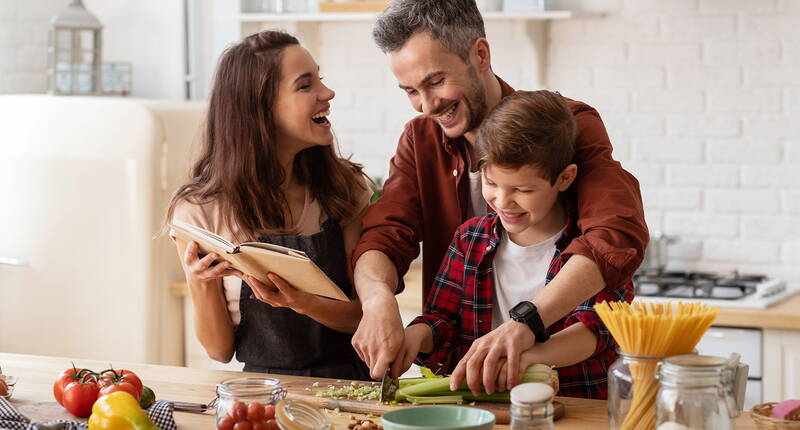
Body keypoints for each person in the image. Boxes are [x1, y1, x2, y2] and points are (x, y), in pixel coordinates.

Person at [350, 0, 649, 394]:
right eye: (410, 91)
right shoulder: (420, 138)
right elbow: (386, 233)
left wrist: (526, 325)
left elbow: (614, 235)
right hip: (469, 392)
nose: (426, 105)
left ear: (480, 54)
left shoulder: (566, 125)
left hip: (571, 391)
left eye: (436, 81)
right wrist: (376, 300)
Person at [399, 90, 633, 399]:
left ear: (564, 178)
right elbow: (443, 320)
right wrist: (415, 336)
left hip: (576, 407)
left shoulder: (592, 249)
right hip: (490, 410)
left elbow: (597, 330)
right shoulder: (469, 240)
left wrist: (527, 358)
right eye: (491, 183)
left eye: (522, 189)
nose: (503, 201)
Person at [166, 30, 373, 380]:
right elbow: (219, 351)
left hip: (348, 386)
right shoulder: (198, 213)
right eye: (305, 86)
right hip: (261, 394)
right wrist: (199, 282)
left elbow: (363, 317)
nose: (327, 93)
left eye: (319, 79)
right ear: (259, 109)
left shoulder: (344, 189)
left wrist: (300, 301)